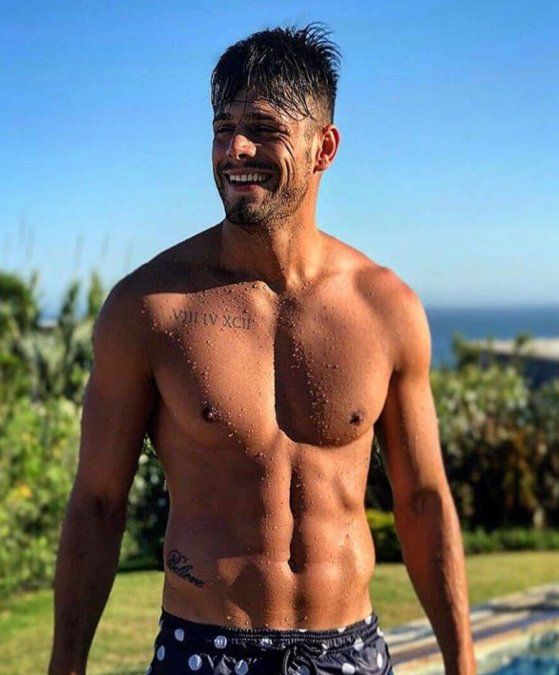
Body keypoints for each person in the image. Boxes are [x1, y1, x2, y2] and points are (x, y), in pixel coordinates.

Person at [48, 23, 476, 675]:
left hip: (349, 651)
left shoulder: (385, 307)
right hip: (204, 650)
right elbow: (97, 504)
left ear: (323, 147)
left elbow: (422, 501)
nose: (236, 149)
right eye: (223, 128)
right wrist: (66, 664)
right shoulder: (151, 307)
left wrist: (462, 661)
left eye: (263, 128)